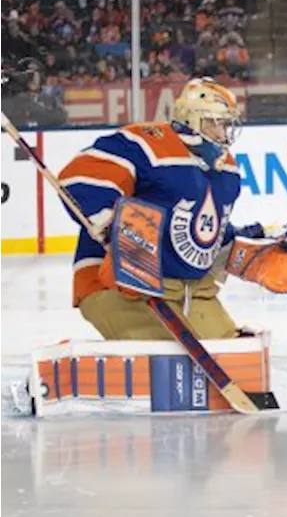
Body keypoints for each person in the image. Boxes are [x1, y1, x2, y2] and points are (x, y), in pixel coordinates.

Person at [57, 78, 273, 340]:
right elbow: (81, 178)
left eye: (227, 124)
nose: (223, 132)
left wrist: (247, 240)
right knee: (164, 362)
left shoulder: (225, 168)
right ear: (192, 118)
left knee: (231, 359)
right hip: (117, 286)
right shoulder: (148, 142)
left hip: (190, 292)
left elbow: (200, 232)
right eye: (217, 122)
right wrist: (115, 231)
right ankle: (73, 375)